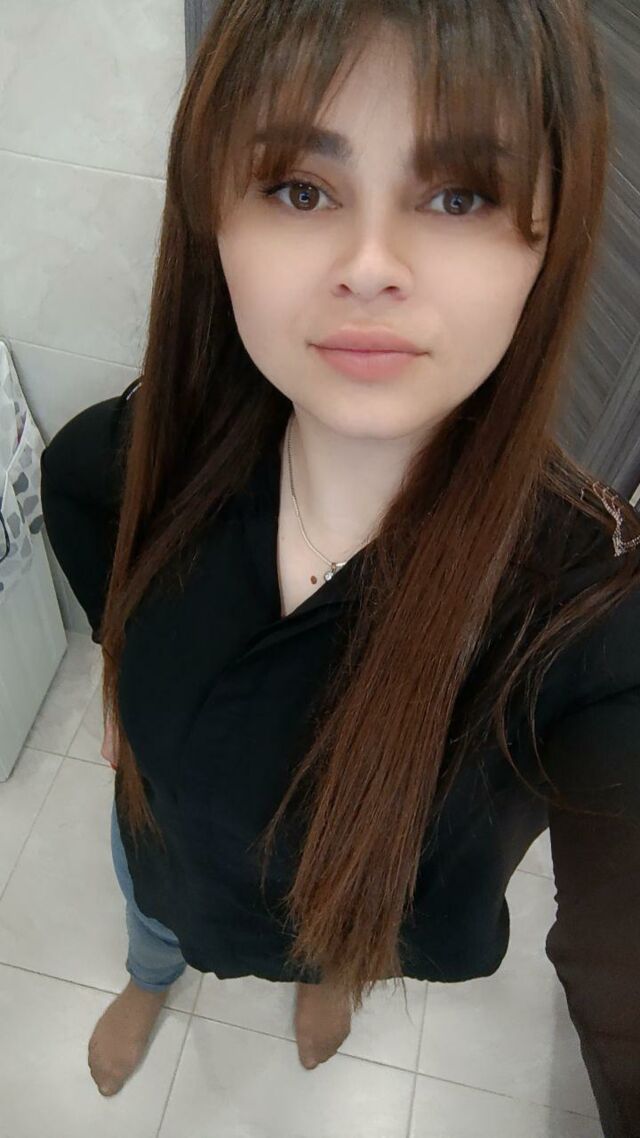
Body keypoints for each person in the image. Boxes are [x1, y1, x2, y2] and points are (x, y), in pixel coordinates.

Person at [40, 1, 640, 1131]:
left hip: (350, 918)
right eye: (300, 189)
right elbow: (90, 536)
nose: (369, 267)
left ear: (550, 236)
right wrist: (120, 672)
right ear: (214, 217)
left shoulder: (585, 614)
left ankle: (329, 972)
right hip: (172, 864)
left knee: (340, 932)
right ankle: (150, 978)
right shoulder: (137, 461)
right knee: (153, 907)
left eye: (459, 195)